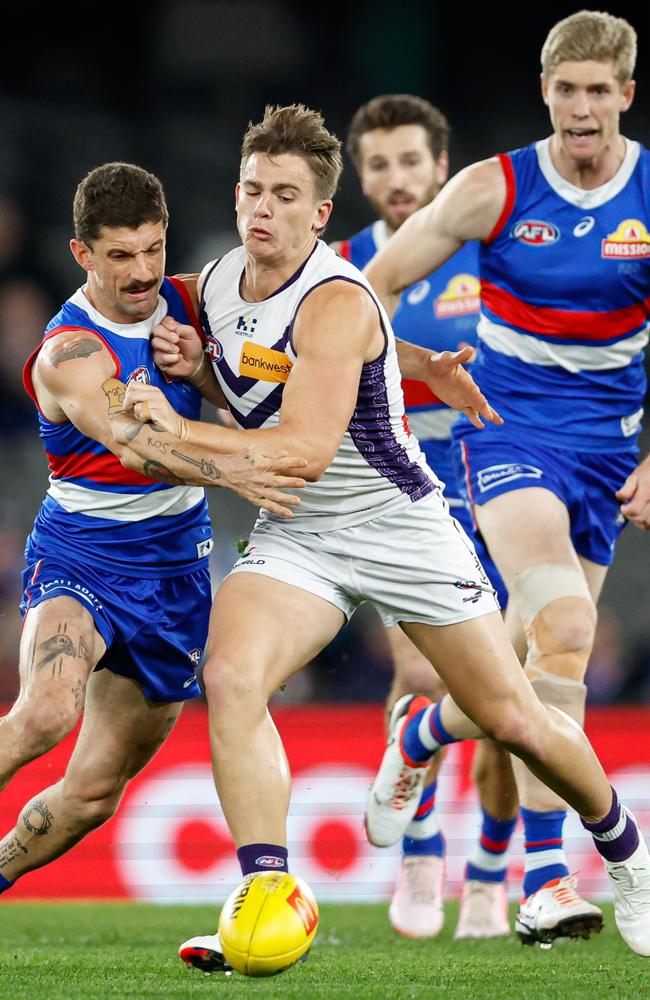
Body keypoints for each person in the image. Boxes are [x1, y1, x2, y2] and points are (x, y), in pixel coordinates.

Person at [115, 104, 650, 967]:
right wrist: (200, 374)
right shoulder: (217, 282)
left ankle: (627, 856)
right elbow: (255, 385)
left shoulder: (335, 296)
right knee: (230, 672)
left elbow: (302, 446)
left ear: (321, 214)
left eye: (286, 195)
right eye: (252, 188)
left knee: (512, 714)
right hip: (301, 534)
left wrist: (168, 433)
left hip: (399, 526)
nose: (263, 208)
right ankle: (266, 896)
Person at [364, 9, 650, 944]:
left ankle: (422, 736)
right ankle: (548, 877)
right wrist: (384, 367)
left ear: (625, 96)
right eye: (565, 89)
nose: (580, 108)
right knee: (566, 626)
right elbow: (370, 284)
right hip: (509, 433)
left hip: (611, 449)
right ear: (545, 92)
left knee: (537, 671)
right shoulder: (495, 188)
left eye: (597, 91)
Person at [0, 162, 306, 895]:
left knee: (94, 794)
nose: (141, 273)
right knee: (45, 711)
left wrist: (207, 371)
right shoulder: (70, 352)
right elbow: (136, 448)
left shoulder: (196, 303)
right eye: (119, 255)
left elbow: (273, 381)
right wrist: (236, 472)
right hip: (83, 555)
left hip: (175, 574)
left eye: (152, 249)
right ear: (82, 255)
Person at [334, 94, 519, 940]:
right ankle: (418, 852)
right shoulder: (340, 271)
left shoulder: (493, 254)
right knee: (420, 680)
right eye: (379, 165)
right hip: (406, 503)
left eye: (412, 161)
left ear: (443, 168)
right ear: (361, 178)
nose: (398, 179)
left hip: (504, 493)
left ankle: (490, 868)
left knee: (513, 704)